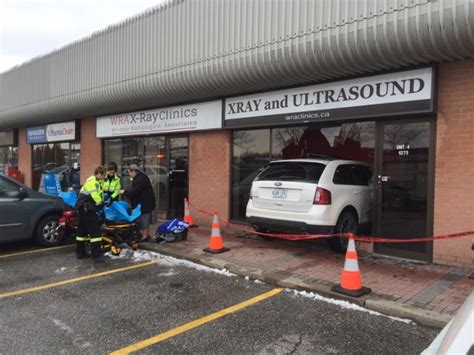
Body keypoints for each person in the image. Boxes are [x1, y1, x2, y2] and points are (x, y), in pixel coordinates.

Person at [74, 166, 106, 260]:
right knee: (95, 231)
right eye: (103, 175)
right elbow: (96, 198)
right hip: (87, 209)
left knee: (82, 231)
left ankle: (80, 253)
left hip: (83, 208)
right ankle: (96, 254)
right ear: (99, 174)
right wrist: (102, 204)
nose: (104, 177)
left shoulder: (94, 181)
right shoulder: (93, 182)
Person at [120, 164, 156, 242]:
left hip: (145, 204)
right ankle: (144, 235)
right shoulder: (140, 177)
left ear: (134, 171)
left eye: (129, 172)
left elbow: (135, 191)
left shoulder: (140, 179)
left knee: (144, 220)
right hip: (144, 203)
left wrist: (125, 192)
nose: (128, 174)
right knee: (143, 220)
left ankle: (145, 236)